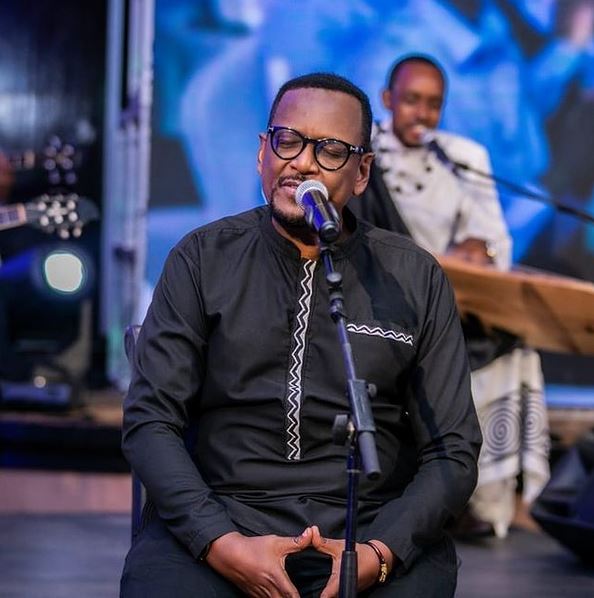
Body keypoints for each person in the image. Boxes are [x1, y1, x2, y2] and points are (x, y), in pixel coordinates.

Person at [120, 72, 481, 597]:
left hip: (367, 527)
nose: (303, 163)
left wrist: (380, 552)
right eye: (287, 140)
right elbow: (150, 421)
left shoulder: (413, 278)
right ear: (262, 152)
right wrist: (221, 543)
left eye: (330, 150)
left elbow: (453, 449)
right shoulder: (202, 259)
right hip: (224, 518)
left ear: (362, 172)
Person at [351, 55, 550, 538]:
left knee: (513, 350)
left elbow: (497, 244)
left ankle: (481, 501)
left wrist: (479, 249)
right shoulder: (359, 155)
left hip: (448, 305)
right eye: (411, 100)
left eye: (433, 104)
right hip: (379, 303)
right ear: (387, 99)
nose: (422, 113)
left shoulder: (464, 158)